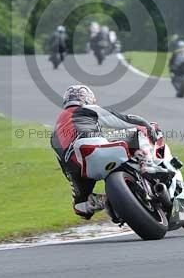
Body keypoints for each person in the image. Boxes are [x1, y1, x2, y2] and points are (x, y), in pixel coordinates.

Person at [51, 85, 158, 219]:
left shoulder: (54, 135)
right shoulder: (84, 109)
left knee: (81, 206)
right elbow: (125, 120)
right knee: (138, 131)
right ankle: (147, 163)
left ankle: (106, 201)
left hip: (78, 168)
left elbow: (65, 166)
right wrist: (147, 126)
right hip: (93, 146)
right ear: (87, 99)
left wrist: (79, 188)